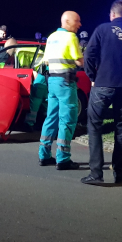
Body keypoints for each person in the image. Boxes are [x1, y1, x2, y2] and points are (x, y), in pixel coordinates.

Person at [81, 1, 122, 185]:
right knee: (121, 129)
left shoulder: (102, 29)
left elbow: (89, 56)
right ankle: (119, 173)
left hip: (102, 85)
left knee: (94, 126)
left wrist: (94, 77)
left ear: (112, 14)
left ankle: (96, 173)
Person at [38, 11, 83, 170]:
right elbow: (79, 61)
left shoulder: (51, 37)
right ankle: (63, 159)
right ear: (67, 21)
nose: (79, 24)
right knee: (67, 119)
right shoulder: (71, 38)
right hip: (65, 82)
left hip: (52, 81)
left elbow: (46, 61)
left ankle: (44, 155)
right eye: (77, 21)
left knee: (51, 117)